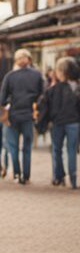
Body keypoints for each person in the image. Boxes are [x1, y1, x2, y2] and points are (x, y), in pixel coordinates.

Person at [0, 48, 45, 184]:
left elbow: (2, 100)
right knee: (27, 147)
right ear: (29, 59)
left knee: (13, 146)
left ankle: (17, 173)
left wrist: (9, 103)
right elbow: (43, 96)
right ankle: (26, 175)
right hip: (28, 115)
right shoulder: (37, 75)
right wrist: (36, 106)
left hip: (13, 115)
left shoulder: (9, 76)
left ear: (16, 61)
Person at [37, 57, 80, 187]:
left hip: (57, 123)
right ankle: (73, 180)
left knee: (57, 150)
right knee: (72, 150)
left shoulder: (52, 89)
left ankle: (58, 177)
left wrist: (43, 123)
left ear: (60, 71)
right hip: (74, 122)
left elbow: (44, 107)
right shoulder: (77, 87)